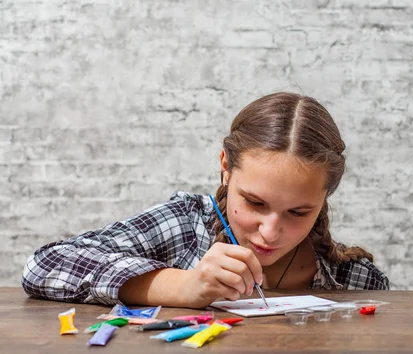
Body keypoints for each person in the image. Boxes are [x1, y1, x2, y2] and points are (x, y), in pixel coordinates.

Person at [21, 92, 389, 308]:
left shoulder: (355, 282)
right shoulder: (184, 226)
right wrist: (182, 286)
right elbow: (44, 264)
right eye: (255, 203)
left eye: (298, 212)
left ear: (325, 197)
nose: (270, 232)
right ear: (225, 167)